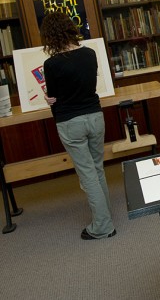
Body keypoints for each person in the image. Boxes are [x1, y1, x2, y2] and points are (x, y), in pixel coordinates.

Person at [41, 12, 116, 240]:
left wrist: (47, 98)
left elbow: (53, 97)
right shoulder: (89, 54)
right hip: (95, 116)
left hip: (70, 122)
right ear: (70, 28)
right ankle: (105, 214)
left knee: (87, 175)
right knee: (97, 167)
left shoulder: (51, 64)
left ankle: (102, 226)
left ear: (50, 36)